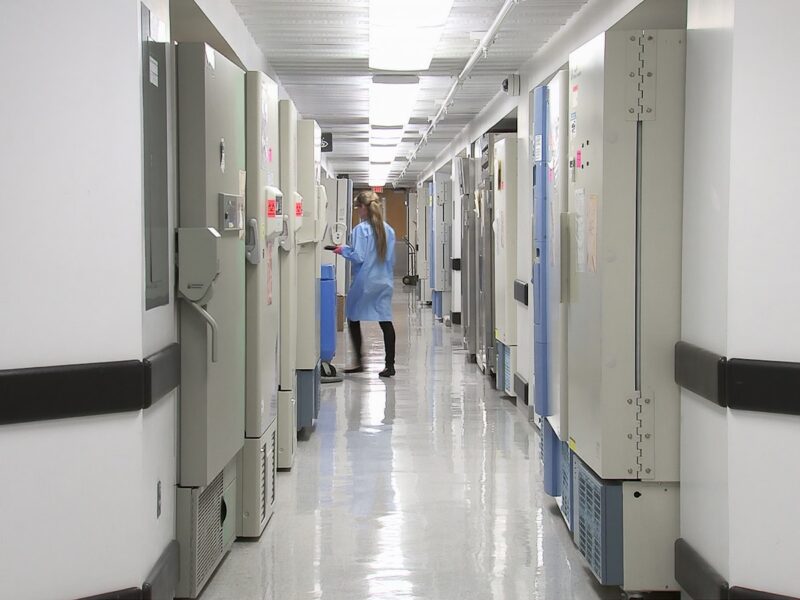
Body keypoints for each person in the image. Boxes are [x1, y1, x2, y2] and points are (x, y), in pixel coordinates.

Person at [333, 191, 396, 377]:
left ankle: (360, 362)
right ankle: (390, 366)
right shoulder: (389, 230)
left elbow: (359, 256)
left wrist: (342, 250)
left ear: (363, 208)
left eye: (358, 207)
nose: (357, 211)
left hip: (365, 281)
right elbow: (391, 259)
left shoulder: (360, 230)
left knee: (353, 317)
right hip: (384, 280)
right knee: (385, 321)